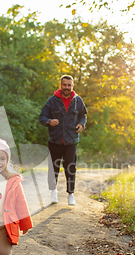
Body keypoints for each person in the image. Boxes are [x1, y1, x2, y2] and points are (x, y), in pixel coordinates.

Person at [39, 74, 87, 205]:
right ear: (61, 86)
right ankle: (53, 191)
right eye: (64, 85)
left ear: (72, 86)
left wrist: (82, 124)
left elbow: (83, 115)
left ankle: (70, 194)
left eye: (69, 85)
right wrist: (49, 121)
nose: (67, 87)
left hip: (71, 141)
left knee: (70, 167)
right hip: (55, 140)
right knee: (53, 167)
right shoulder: (52, 101)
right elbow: (42, 117)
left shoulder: (78, 101)